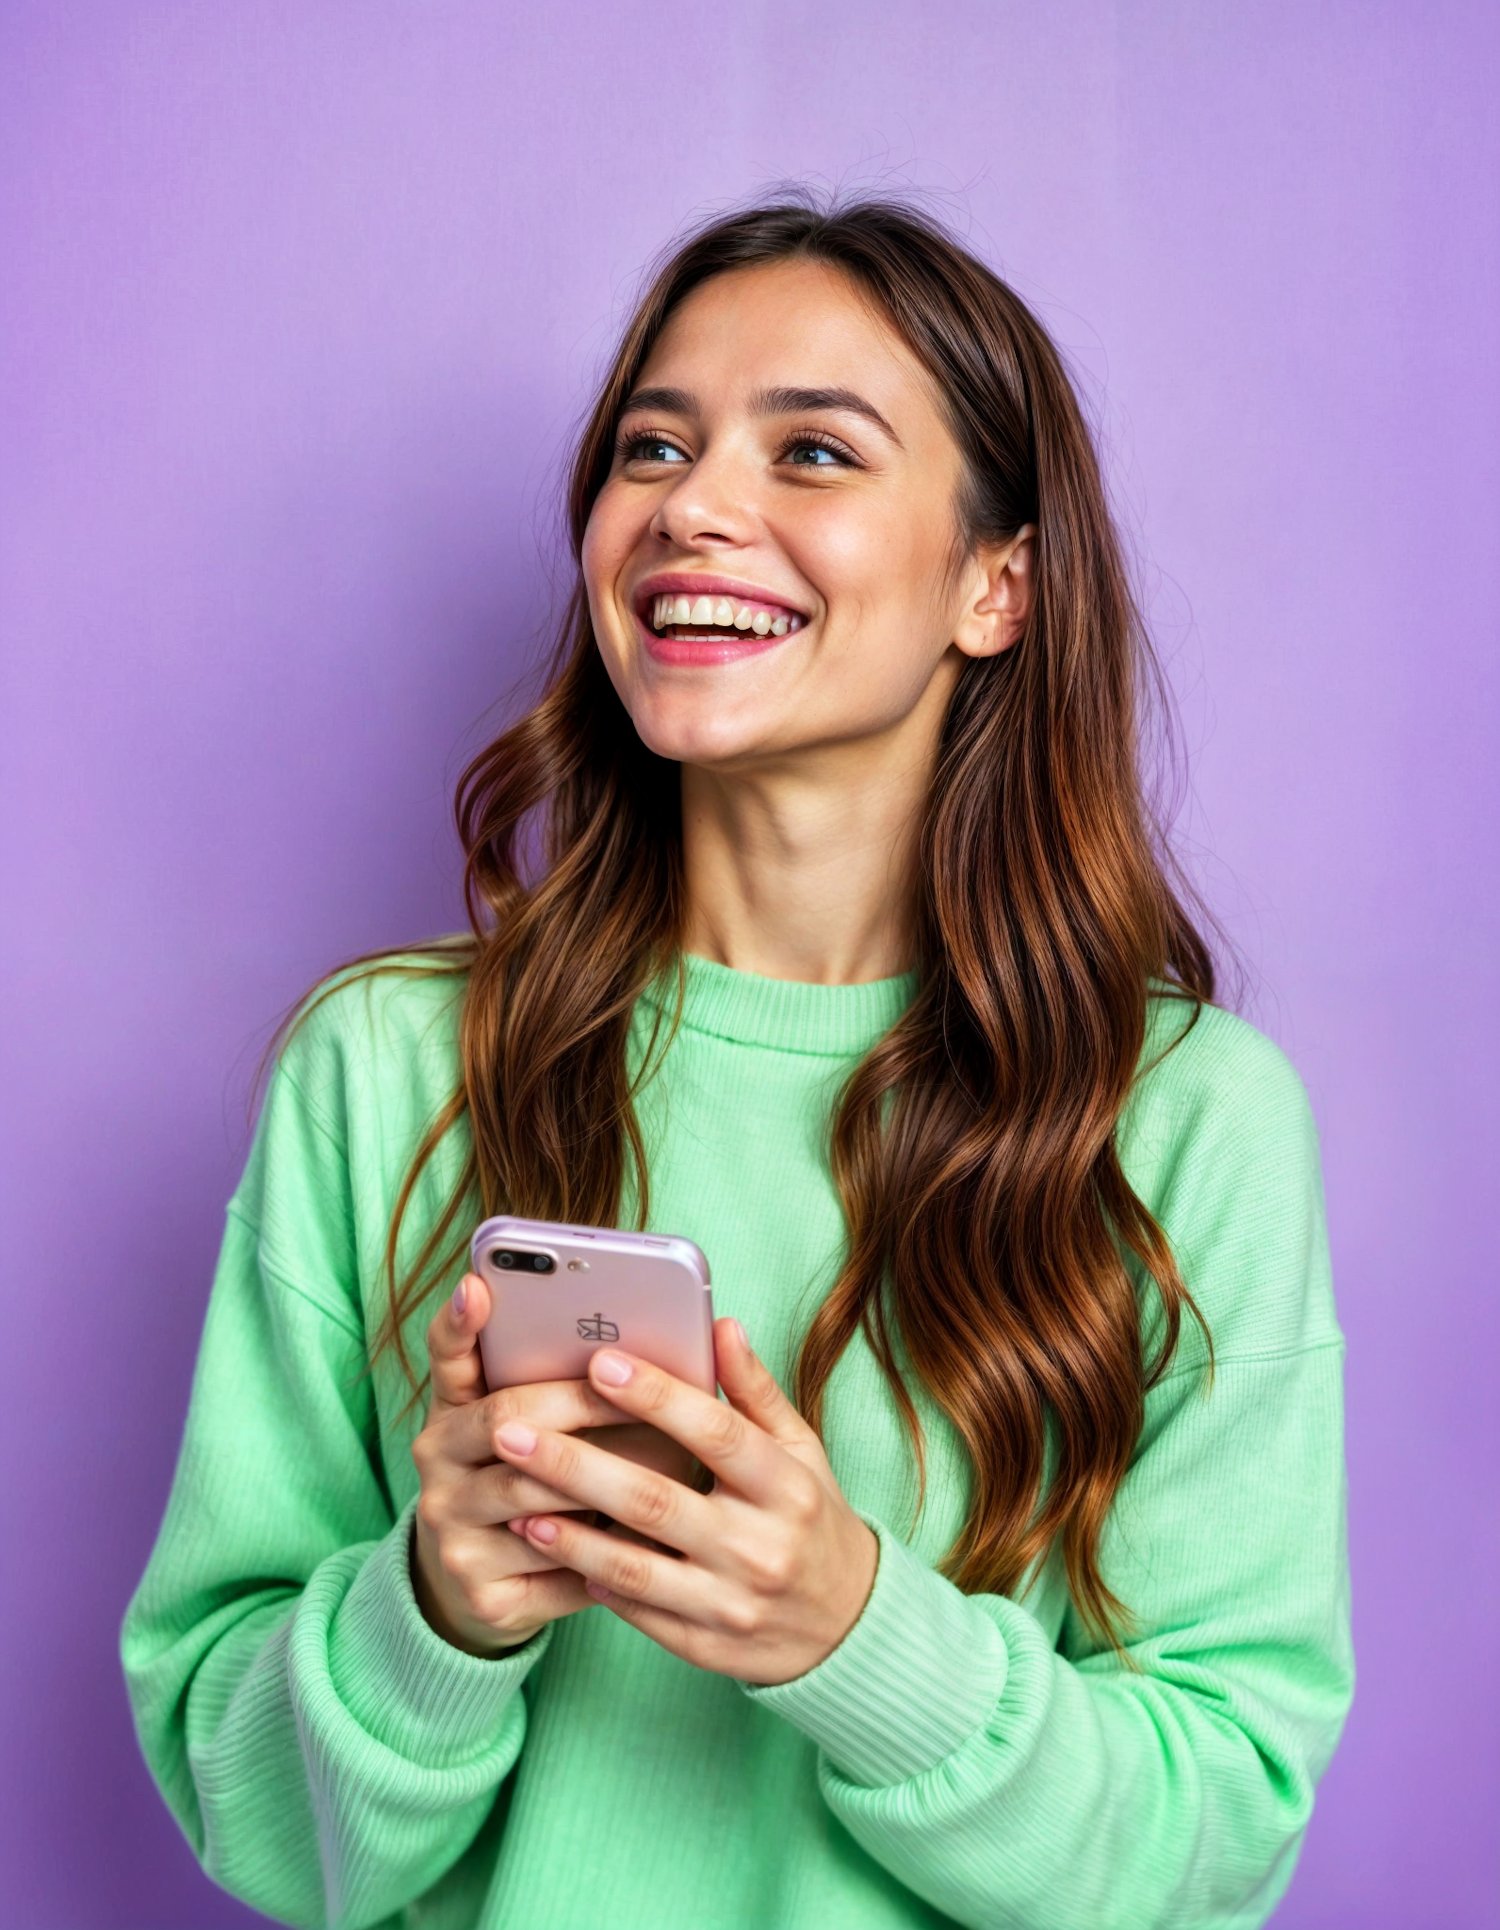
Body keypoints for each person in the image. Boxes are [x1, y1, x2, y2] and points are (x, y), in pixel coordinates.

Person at [120, 193, 1353, 1930]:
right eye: (653, 444)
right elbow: (251, 1813)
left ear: (994, 584)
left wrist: (851, 1631)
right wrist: (437, 1608)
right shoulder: (385, 1068)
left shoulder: (1191, 1122)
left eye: (817, 452)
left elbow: (1214, 1843)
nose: (693, 506)